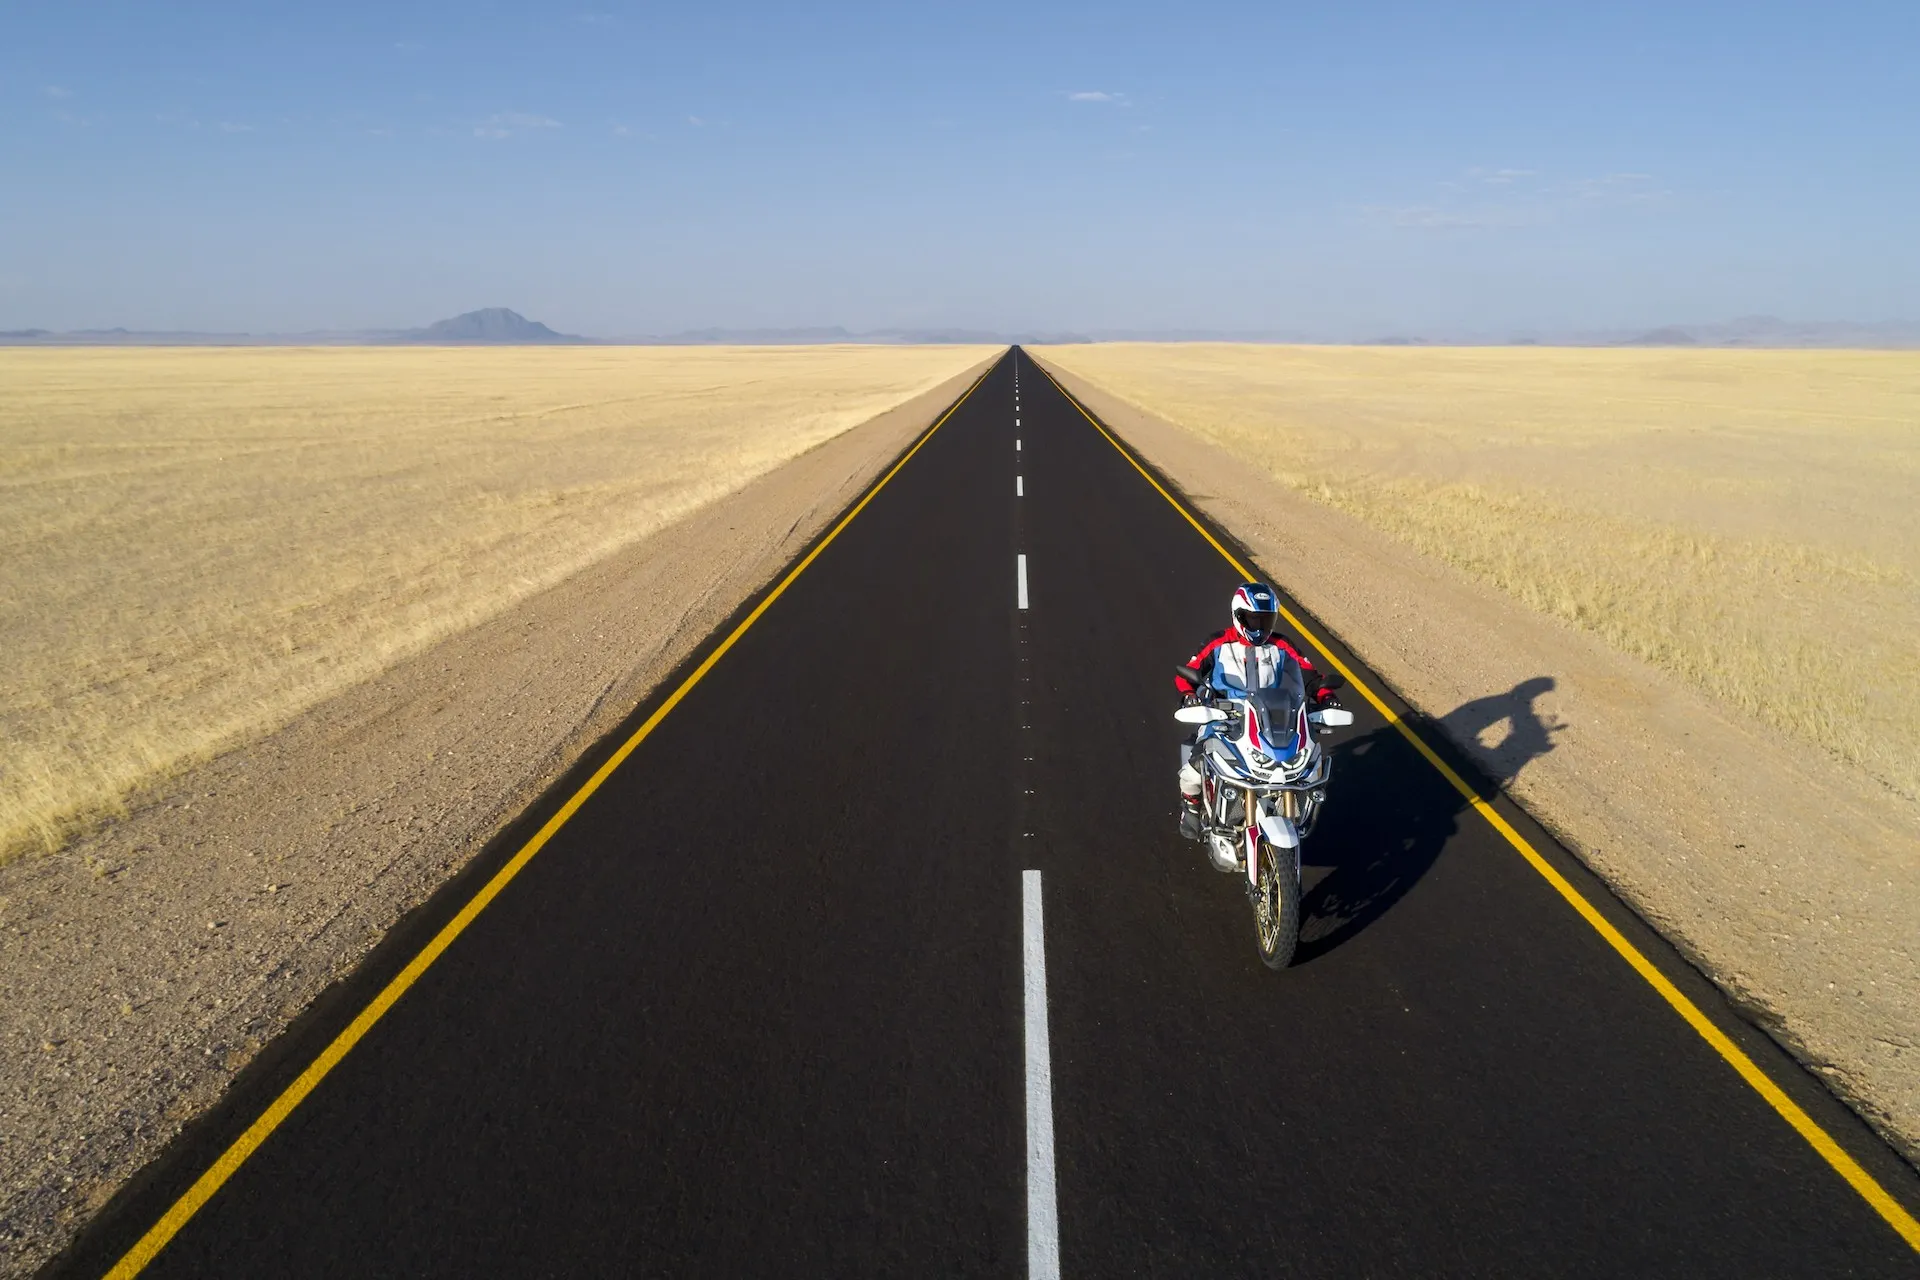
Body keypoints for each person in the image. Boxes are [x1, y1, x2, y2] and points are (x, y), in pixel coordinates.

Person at [1174, 582, 1338, 840]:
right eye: (1253, 619)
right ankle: (1191, 807)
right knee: (1194, 770)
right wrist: (1189, 696)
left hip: (1272, 721)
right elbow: (1186, 675)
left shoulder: (1282, 645)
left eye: (1265, 619)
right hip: (1224, 720)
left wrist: (1327, 697)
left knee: (1304, 768)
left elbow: (1311, 677)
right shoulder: (1217, 643)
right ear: (1238, 616)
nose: (1259, 627)